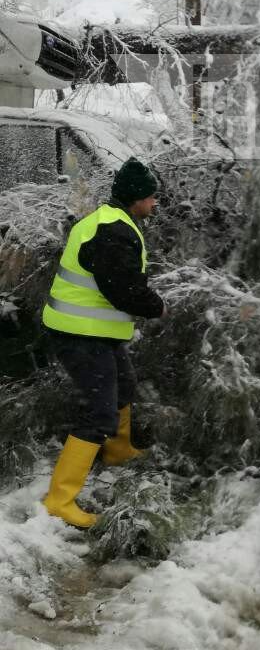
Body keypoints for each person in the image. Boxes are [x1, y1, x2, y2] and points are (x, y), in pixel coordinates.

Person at [41, 157, 165, 528]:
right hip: (79, 332)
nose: (155, 202)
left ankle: (118, 450)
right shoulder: (113, 231)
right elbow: (123, 290)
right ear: (136, 198)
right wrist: (158, 307)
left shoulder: (110, 220)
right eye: (151, 197)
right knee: (99, 411)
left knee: (124, 385)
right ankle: (59, 500)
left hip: (92, 329)